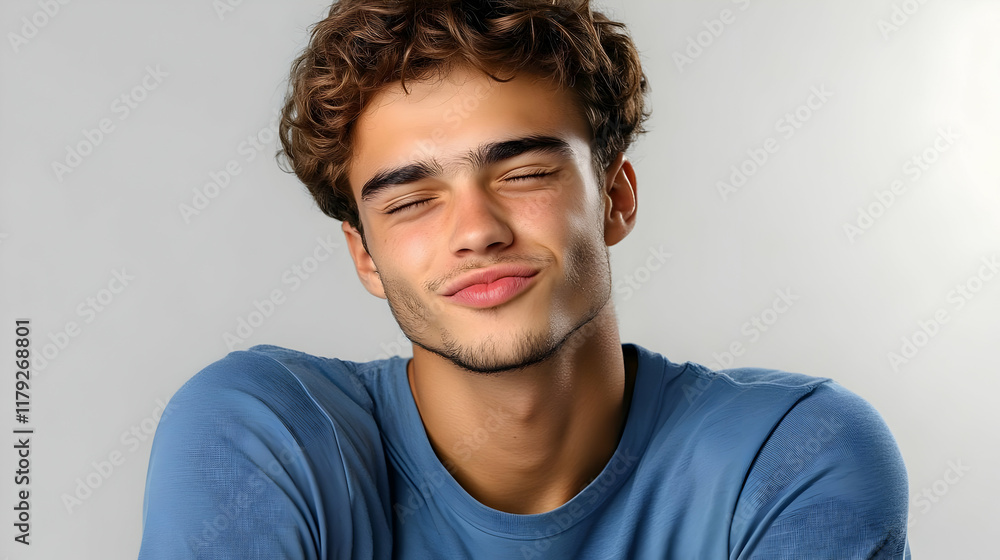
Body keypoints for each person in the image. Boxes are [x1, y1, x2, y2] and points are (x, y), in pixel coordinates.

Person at [138, 1, 911, 558]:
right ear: (364, 255)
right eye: (410, 201)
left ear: (615, 196)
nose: (475, 230)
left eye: (526, 172)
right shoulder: (260, 434)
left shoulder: (791, 455)